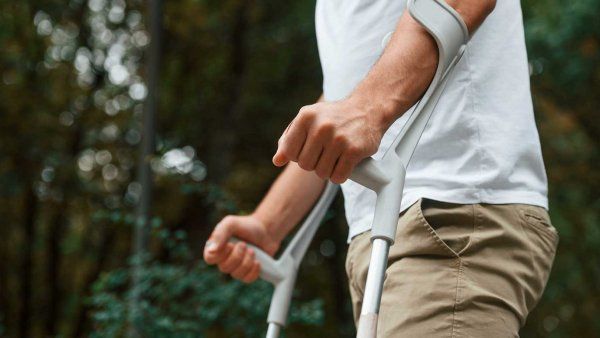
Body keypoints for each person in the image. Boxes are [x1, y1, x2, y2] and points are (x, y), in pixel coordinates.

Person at [204, 0, 559, 336]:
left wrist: (367, 108)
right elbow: (343, 111)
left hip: (451, 214)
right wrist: (268, 224)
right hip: (382, 238)